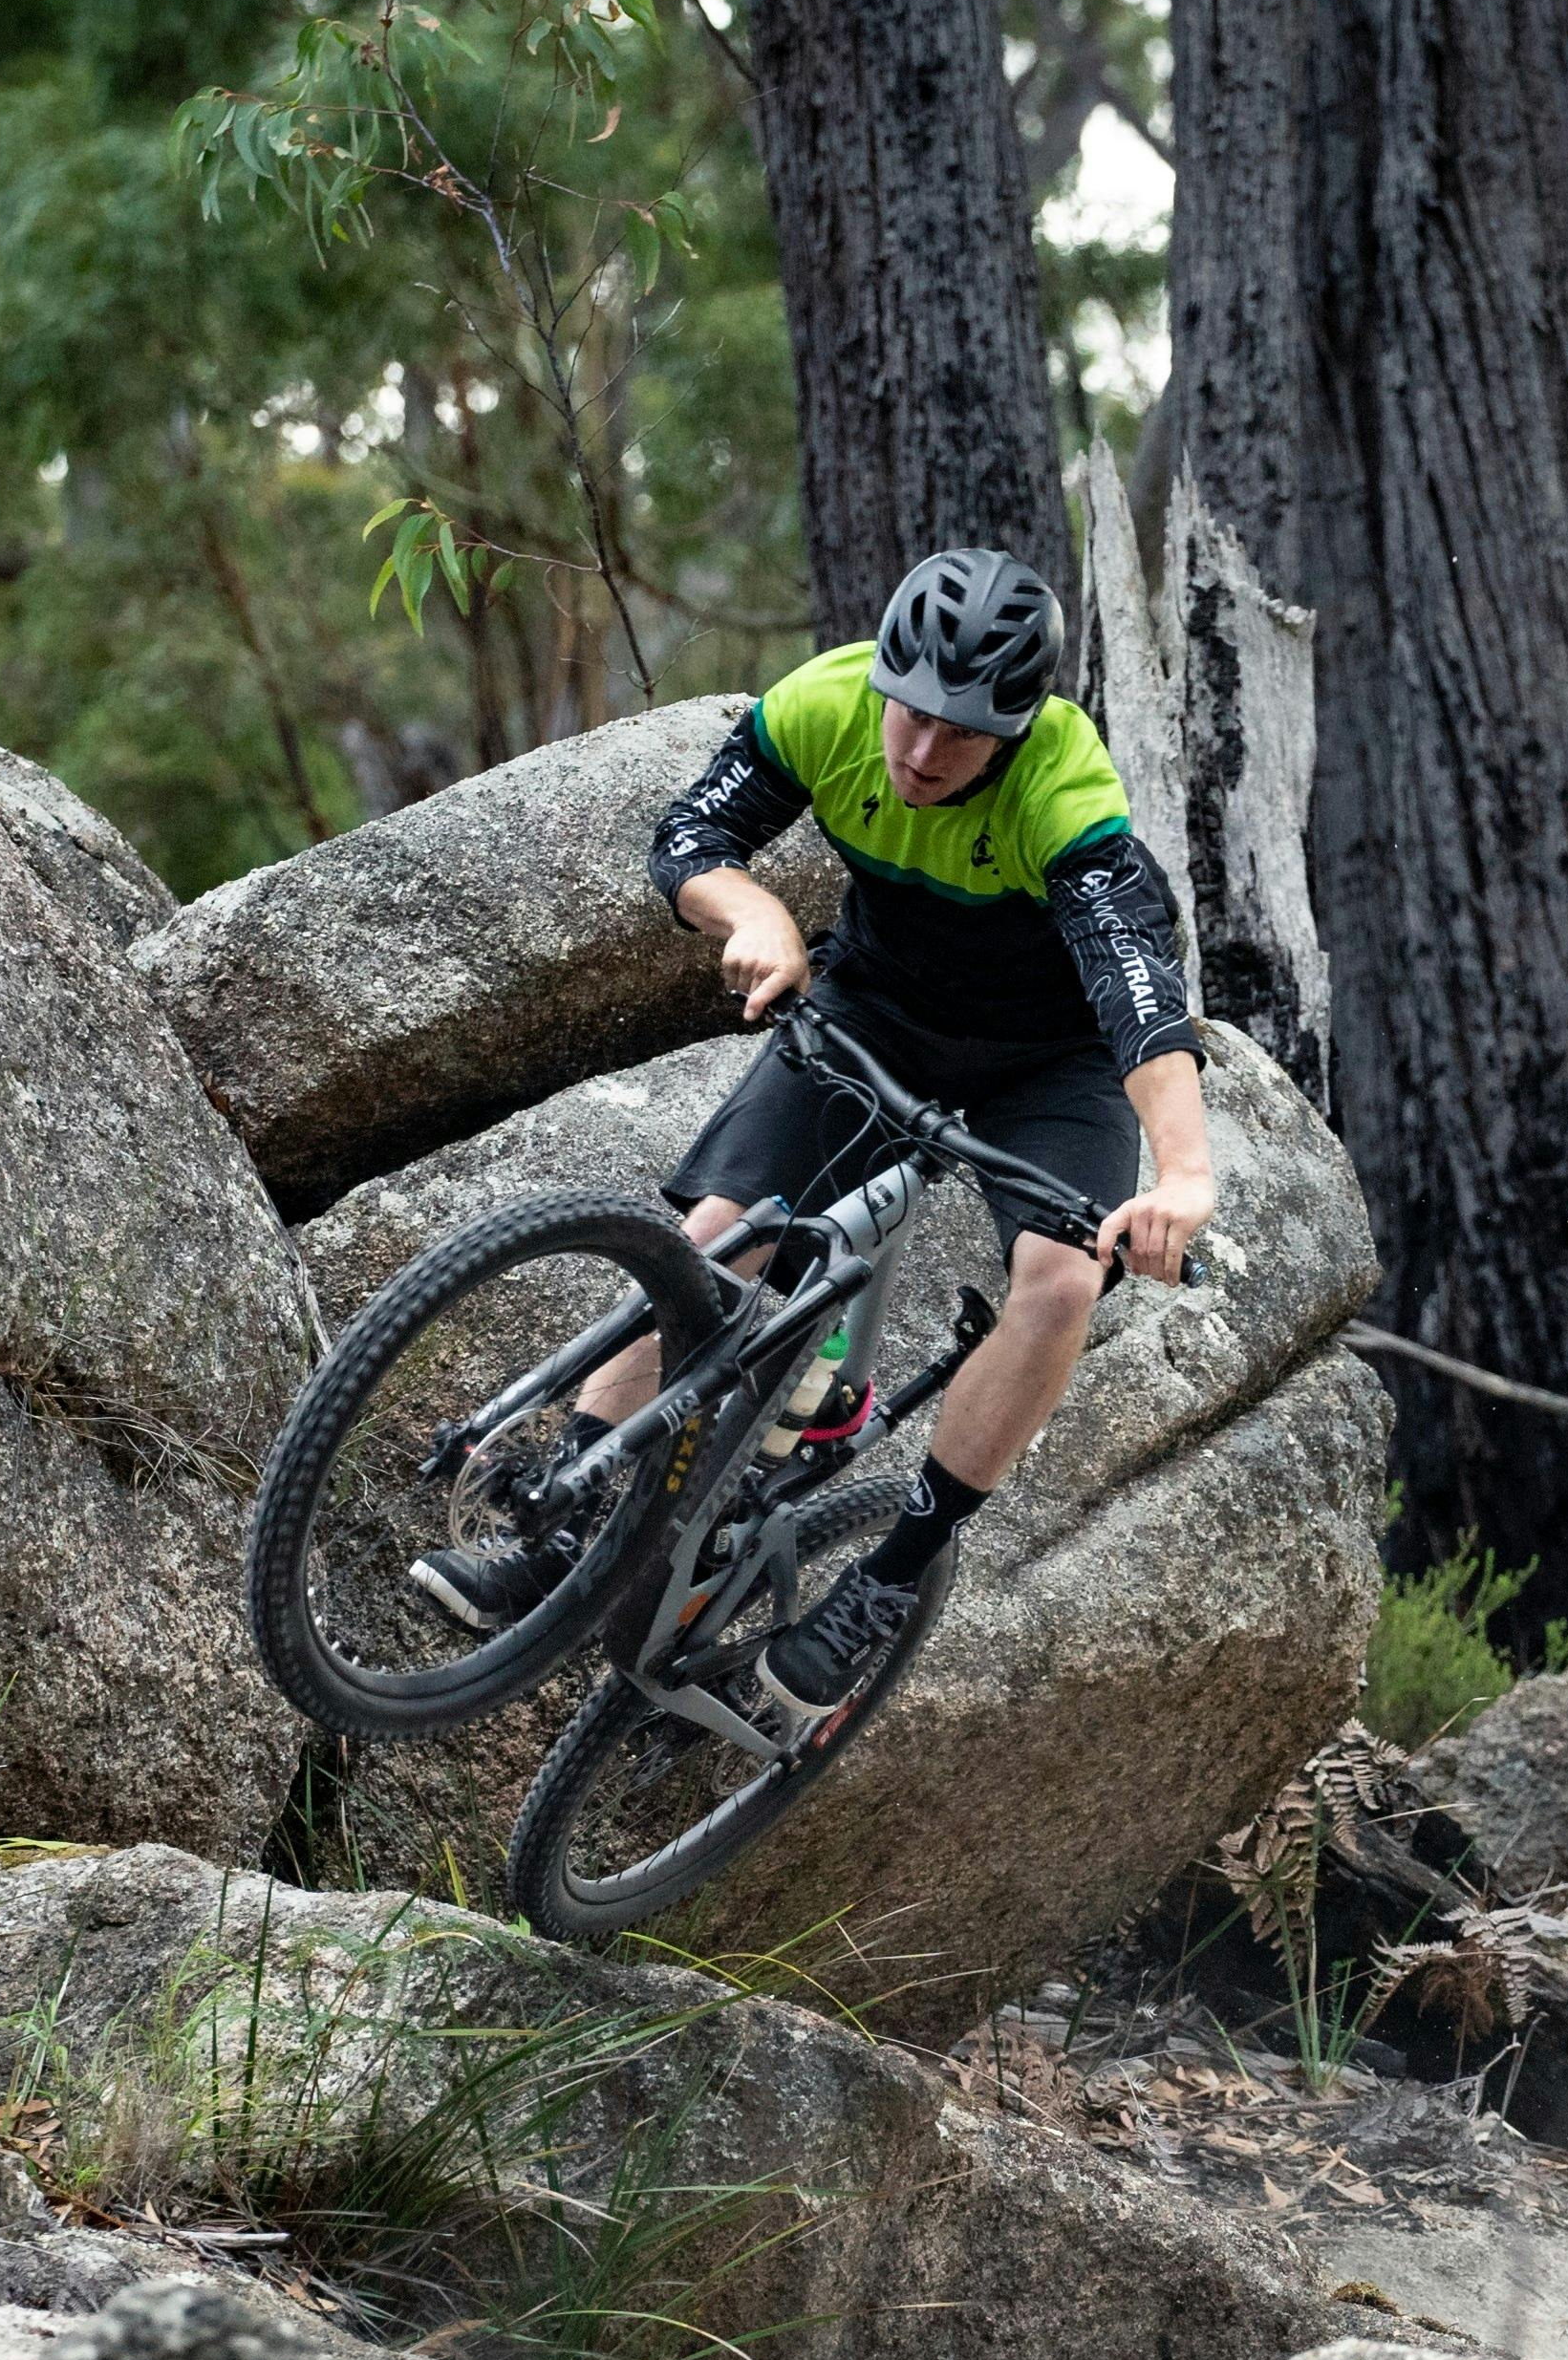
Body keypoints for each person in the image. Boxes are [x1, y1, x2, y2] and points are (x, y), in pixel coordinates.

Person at [414, 543, 1220, 1727]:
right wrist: (759, 917)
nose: (922, 752)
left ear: (1021, 723)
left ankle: (892, 1578)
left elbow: (1138, 991)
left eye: (963, 734)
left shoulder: (1064, 789)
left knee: (1058, 1282)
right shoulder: (824, 705)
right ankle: (563, 1520)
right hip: (876, 1007)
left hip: (1048, 1061)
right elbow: (691, 841)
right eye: (912, 713)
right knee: (713, 1238)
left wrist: (1186, 1174)